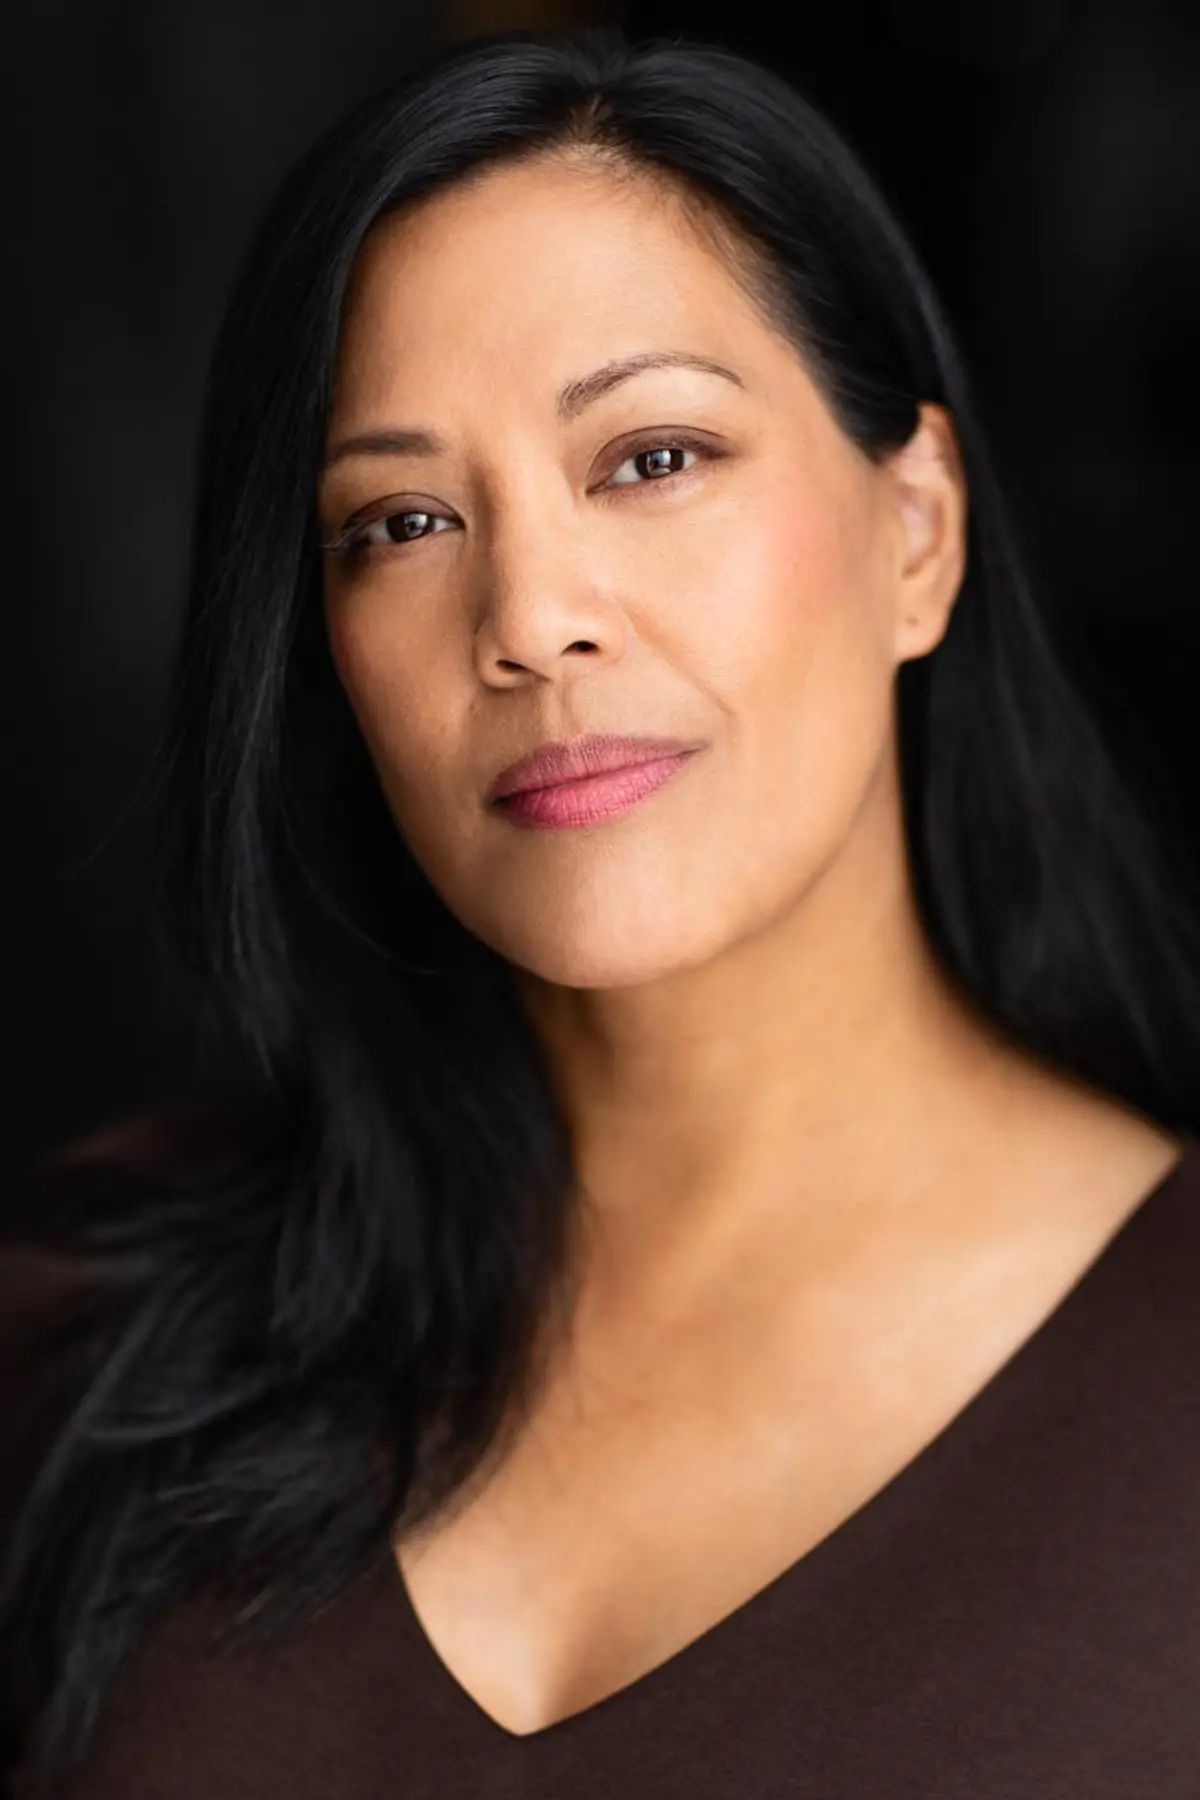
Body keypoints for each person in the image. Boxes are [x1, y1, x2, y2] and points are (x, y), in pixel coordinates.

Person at [3, 23, 1200, 1797]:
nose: (529, 618)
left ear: (918, 529)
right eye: (402, 521)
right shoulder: (88, 1333)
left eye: (652, 458)